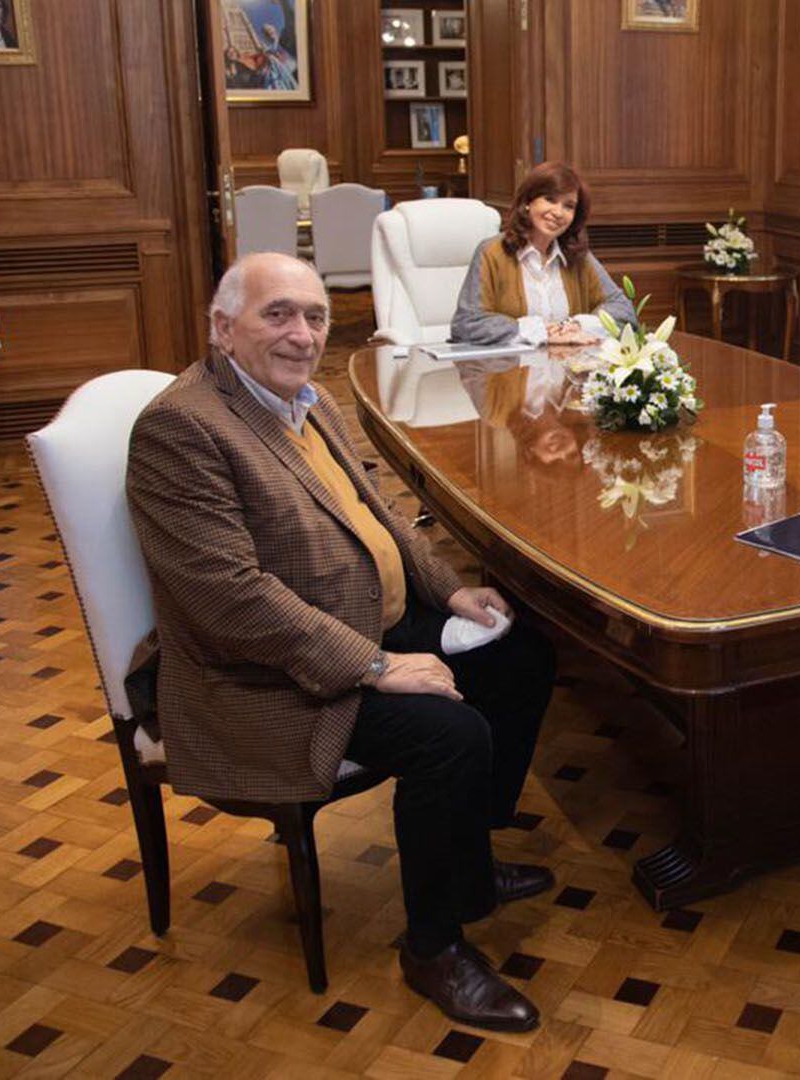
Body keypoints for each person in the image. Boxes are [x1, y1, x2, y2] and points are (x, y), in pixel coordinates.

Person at [126, 253, 558, 1033]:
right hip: (262, 676)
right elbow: (231, 601)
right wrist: (379, 665)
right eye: (278, 314)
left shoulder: (306, 398)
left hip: (362, 620)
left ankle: (467, 865)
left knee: (521, 655)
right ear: (222, 329)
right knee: (449, 735)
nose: (302, 334)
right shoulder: (182, 428)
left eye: (316, 316)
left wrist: (450, 591)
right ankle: (434, 947)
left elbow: (380, 516)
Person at [451, 161, 637, 347]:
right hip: (508, 372)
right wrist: (540, 332)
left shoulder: (578, 256)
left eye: (569, 206)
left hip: (568, 371)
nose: (558, 212)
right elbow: (467, 324)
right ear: (527, 203)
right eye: (549, 199)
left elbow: (624, 310)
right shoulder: (491, 253)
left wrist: (579, 325)